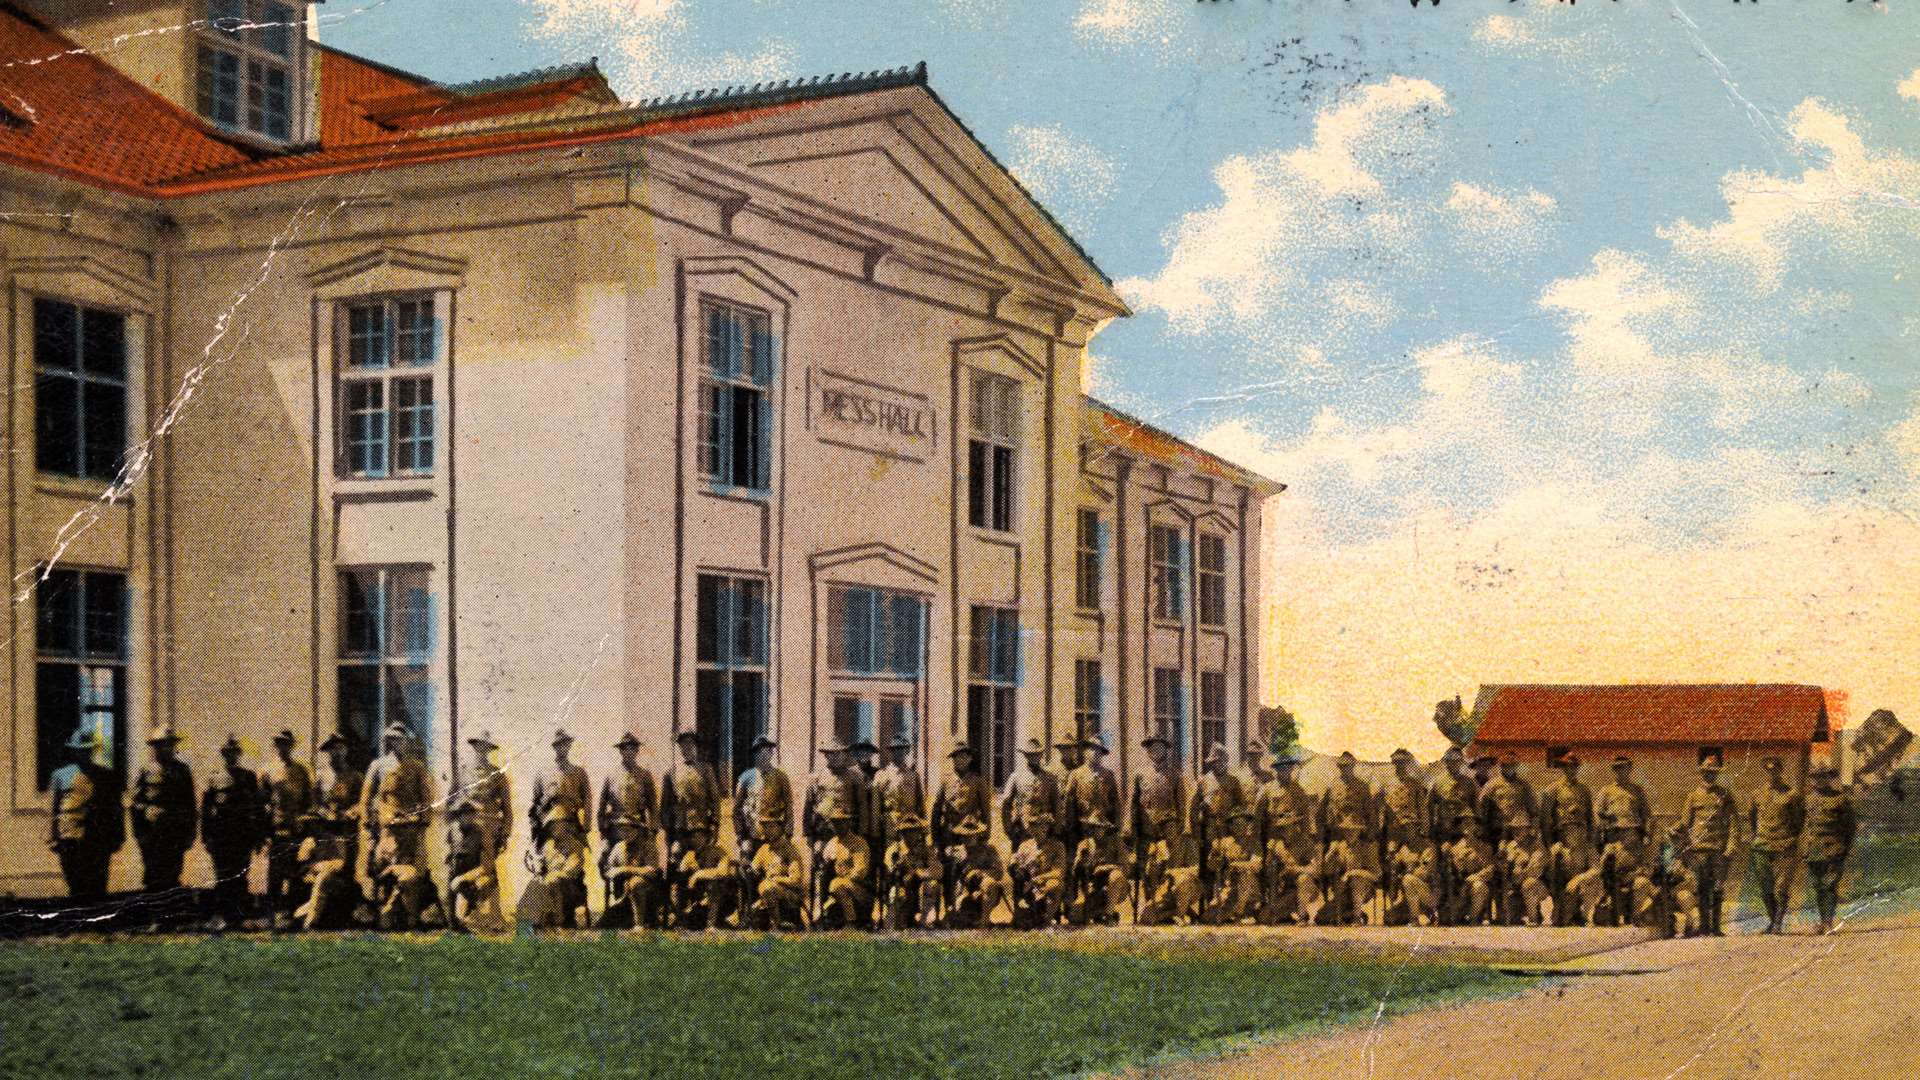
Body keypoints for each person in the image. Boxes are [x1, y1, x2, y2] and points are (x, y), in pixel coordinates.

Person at [360, 723, 437, 929]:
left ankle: (408, 917)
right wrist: (368, 828)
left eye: (400, 739)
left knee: (411, 874)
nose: (396, 743)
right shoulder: (378, 766)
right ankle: (384, 915)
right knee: (382, 869)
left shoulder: (417, 767)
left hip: (411, 832)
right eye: (392, 739)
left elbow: (427, 800)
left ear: (407, 741)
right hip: (387, 832)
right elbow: (366, 800)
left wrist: (422, 824)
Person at [295, 732, 363, 930]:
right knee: (318, 872)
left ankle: (326, 918)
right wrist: (322, 813)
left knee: (341, 874)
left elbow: (363, 803)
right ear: (327, 752)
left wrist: (352, 811)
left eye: (340, 748)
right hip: (325, 836)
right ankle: (309, 914)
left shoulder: (355, 777)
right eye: (332, 749)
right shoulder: (321, 777)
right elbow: (313, 805)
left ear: (346, 750)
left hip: (346, 835)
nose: (336, 752)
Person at [47, 726, 123, 901]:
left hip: (97, 836)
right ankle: (80, 921)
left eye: (87, 750)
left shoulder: (105, 775)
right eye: (80, 750)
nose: (84, 754)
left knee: (97, 883)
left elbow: (115, 808)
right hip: (69, 835)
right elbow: (53, 808)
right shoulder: (61, 775)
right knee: (75, 881)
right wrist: (52, 837)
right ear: (73, 752)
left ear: (92, 750)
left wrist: (118, 836)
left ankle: (97, 922)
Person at [201, 734, 268, 928]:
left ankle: (238, 916)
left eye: (235, 753)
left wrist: (258, 836)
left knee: (240, 875)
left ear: (239, 754)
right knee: (222, 876)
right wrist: (206, 836)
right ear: (223, 754)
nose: (231, 756)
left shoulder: (248, 777)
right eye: (228, 753)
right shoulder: (214, 777)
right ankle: (223, 916)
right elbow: (206, 810)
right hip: (221, 835)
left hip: (242, 835)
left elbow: (257, 808)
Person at [1131, 731, 1197, 925]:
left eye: (1159, 748)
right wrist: (1133, 831)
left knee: (1168, 870)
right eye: (1151, 748)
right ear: (1148, 751)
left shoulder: (1175, 775)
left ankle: (1170, 907)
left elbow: (1182, 805)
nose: (1155, 751)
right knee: (1148, 870)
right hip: (1147, 833)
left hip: (1169, 832)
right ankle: (1151, 906)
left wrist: (1179, 830)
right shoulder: (1140, 775)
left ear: (1165, 750)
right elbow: (1134, 806)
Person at [598, 732, 659, 927]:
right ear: (620, 751)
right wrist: (603, 832)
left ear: (637, 751)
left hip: (637, 829)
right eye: (624, 749)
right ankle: (616, 905)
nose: (628, 752)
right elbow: (601, 809)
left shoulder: (645, 776)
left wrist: (653, 830)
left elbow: (653, 807)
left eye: (632, 748)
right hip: (616, 829)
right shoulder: (611, 776)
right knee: (603, 860)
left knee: (643, 862)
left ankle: (642, 912)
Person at [1254, 749, 1321, 925]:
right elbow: (1258, 821)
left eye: (1288, 768)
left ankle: (1296, 909)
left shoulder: (1299, 792)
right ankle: (1272, 905)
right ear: (1275, 769)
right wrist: (1258, 846)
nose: (1285, 771)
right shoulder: (1267, 790)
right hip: (1272, 840)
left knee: (1295, 876)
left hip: (1294, 840)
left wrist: (1303, 843)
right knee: (1271, 875)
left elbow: (1306, 821)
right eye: (1281, 768)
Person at [667, 729, 725, 925]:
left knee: (706, 869)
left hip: (701, 829)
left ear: (696, 747)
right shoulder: (673, 772)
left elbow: (715, 801)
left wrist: (715, 825)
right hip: (680, 831)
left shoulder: (706, 769)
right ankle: (679, 917)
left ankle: (707, 918)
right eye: (683, 745)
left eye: (690, 745)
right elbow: (665, 805)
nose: (687, 749)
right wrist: (670, 832)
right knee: (678, 871)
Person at [1678, 751, 1738, 936]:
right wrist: (1681, 841)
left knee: (1718, 887)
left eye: (1712, 772)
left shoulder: (1725, 795)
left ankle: (1716, 926)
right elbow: (1685, 823)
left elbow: (1734, 823)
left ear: (1717, 773)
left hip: (1718, 849)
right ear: (1701, 773)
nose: (1708, 775)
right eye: (1705, 772)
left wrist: (1731, 846)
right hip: (1699, 850)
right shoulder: (1693, 796)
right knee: (1702, 887)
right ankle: (1704, 926)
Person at [130, 725, 195, 893]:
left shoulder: (182, 770)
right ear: (155, 747)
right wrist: (140, 831)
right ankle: (154, 915)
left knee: (173, 873)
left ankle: (169, 915)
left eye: (170, 744)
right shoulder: (146, 770)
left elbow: (190, 805)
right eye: (161, 745)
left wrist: (190, 834)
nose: (166, 748)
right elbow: (135, 803)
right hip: (152, 833)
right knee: (153, 874)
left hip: (174, 832)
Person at [932, 740, 993, 914]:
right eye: (956, 757)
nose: (960, 760)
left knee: (969, 869)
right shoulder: (946, 781)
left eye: (963, 757)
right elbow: (936, 810)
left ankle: (967, 909)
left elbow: (986, 811)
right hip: (949, 834)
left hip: (970, 833)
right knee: (948, 870)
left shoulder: (978, 781)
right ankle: (949, 908)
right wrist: (936, 840)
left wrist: (985, 835)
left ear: (970, 759)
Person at [1540, 752, 1600, 926]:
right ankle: (1560, 908)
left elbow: (1589, 817)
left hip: (1580, 838)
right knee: (1556, 874)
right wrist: (1550, 843)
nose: (1571, 771)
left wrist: (1589, 839)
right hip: (1561, 837)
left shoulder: (1584, 790)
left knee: (1583, 874)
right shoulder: (1553, 790)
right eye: (1567, 767)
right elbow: (1545, 820)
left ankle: (1580, 912)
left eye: (1574, 767)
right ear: (1563, 769)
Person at [1478, 753, 1538, 924]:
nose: (1508, 769)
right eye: (1505, 765)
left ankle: (1522, 910)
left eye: (1511, 765)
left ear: (1516, 766)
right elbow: (1481, 808)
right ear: (1500, 766)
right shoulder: (1492, 785)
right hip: (1497, 834)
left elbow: (1533, 811)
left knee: (1518, 871)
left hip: (1519, 834)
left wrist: (1532, 831)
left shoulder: (1523, 786)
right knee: (1498, 873)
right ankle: (1499, 912)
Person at [1596, 754, 1656, 927]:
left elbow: (1647, 816)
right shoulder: (1606, 792)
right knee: (1608, 874)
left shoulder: (1637, 791)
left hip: (1633, 841)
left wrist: (1646, 837)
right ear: (1614, 771)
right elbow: (1598, 816)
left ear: (1630, 770)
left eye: (1624, 768)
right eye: (1617, 769)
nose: (1621, 772)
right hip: (1613, 840)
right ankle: (1611, 910)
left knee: (1638, 879)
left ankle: (1634, 913)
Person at [1322, 751, 1381, 924]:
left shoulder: (1362, 786)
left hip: (1360, 833)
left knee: (1357, 875)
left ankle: (1356, 913)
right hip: (1339, 835)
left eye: (1348, 766)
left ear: (1353, 766)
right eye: (1342, 766)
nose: (1344, 769)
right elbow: (1328, 815)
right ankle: (1347, 911)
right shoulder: (1332, 787)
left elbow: (1371, 814)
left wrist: (1368, 837)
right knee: (1322, 918)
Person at [1380, 748, 1436, 926]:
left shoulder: (1415, 784)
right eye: (1396, 763)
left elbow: (1423, 810)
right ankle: (1399, 900)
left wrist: (1424, 832)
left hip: (1414, 829)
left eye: (1403, 763)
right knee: (1392, 866)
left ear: (1408, 764)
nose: (1400, 766)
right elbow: (1383, 813)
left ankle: (1421, 908)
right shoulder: (1387, 785)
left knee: (1413, 865)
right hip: (1394, 833)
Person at [1749, 756, 1805, 935]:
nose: (1772, 773)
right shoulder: (1757, 794)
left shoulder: (1791, 794)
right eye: (1769, 770)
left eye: (1776, 770)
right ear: (1765, 771)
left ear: (1781, 771)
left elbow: (1799, 821)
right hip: (1762, 845)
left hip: (1784, 846)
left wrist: (1788, 838)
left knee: (1781, 888)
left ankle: (1778, 923)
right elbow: (1752, 818)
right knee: (1766, 887)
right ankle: (1773, 921)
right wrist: (1758, 836)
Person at [263, 729, 313, 926]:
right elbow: (263, 802)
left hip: (297, 829)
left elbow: (308, 800)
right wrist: (265, 832)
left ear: (292, 746)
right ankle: (271, 916)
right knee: (275, 873)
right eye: (279, 743)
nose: (283, 747)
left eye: (286, 743)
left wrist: (305, 823)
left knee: (296, 872)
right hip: (277, 830)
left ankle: (294, 914)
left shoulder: (301, 771)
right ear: (275, 746)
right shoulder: (267, 771)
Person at [465, 731, 512, 927]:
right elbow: (454, 800)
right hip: (467, 829)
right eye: (479, 746)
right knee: (469, 870)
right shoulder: (464, 771)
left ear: (489, 749)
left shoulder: (497, 774)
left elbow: (507, 808)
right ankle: (471, 913)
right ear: (475, 747)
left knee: (489, 870)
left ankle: (495, 914)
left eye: (486, 747)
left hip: (489, 828)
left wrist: (505, 832)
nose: (482, 750)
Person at [1802, 764, 1855, 935]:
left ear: (1829, 778)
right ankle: (1822, 919)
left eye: (1823, 777)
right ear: (1813, 780)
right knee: (1817, 885)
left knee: (1830, 884)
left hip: (1834, 846)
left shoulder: (1840, 799)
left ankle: (1828, 922)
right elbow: (1802, 825)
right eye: (1816, 777)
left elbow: (1850, 826)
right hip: (1813, 848)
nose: (1820, 780)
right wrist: (1803, 846)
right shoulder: (1808, 799)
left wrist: (1845, 848)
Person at [1427, 747, 1478, 924]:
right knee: (1438, 873)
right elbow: (1429, 809)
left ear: (1461, 763)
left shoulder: (1470, 784)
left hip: (1463, 835)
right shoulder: (1438, 784)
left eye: (1457, 762)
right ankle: (1437, 910)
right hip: (1443, 836)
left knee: (1461, 873)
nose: (1453, 766)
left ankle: (1462, 908)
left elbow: (1476, 810)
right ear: (1445, 763)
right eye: (1450, 762)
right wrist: (1432, 836)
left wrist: (1473, 834)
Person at [734, 734, 793, 862]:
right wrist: (741, 835)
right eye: (758, 752)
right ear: (754, 755)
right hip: (752, 833)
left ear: (771, 753)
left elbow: (789, 805)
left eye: (766, 751)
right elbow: (736, 808)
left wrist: (788, 830)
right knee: (748, 867)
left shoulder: (781, 777)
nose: (762, 755)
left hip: (774, 834)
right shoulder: (746, 777)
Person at [529, 728, 590, 850]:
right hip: (548, 825)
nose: (562, 747)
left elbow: (587, 801)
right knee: (540, 860)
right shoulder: (542, 773)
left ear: (569, 746)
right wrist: (534, 830)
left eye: (566, 744)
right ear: (554, 747)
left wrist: (586, 826)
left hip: (571, 822)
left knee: (582, 860)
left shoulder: (579, 772)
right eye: (559, 745)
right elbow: (535, 804)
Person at [529, 807, 589, 930]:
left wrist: (552, 875)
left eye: (557, 825)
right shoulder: (548, 845)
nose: (554, 829)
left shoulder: (575, 845)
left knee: (554, 880)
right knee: (537, 882)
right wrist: (539, 868)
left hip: (572, 888)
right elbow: (541, 864)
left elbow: (572, 870)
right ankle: (541, 919)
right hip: (550, 885)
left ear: (566, 826)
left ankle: (559, 922)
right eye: (551, 826)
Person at [1001, 737, 1062, 852]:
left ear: (1041, 755)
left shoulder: (1050, 778)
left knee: (1042, 862)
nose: (1034, 757)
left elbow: (1057, 805)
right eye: (1030, 754)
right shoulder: (1016, 776)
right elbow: (1006, 803)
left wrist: (1056, 830)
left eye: (1037, 754)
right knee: (1018, 863)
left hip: (1044, 829)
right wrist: (1009, 828)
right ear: (1025, 756)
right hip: (1023, 829)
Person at [883, 813, 943, 930]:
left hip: (920, 890)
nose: (911, 835)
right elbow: (889, 873)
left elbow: (938, 871)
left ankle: (924, 921)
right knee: (896, 895)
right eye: (907, 831)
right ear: (901, 833)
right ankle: (900, 920)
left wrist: (917, 873)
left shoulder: (926, 850)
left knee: (931, 886)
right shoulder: (894, 850)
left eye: (914, 831)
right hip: (901, 889)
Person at [1070, 810, 1130, 926]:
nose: (1097, 830)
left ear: (1105, 828)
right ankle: (1100, 912)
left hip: (1116, 888)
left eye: (1100, 827)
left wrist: (1106, 868)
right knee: (1074, 916)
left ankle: (1109, 914)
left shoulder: (1116, 842)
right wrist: (1080, 862)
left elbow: (1126, 867)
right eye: (1094, 827)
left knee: (1116, 875)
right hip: (1094, 889)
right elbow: (1075, 873)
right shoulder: (1084, 844)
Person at [947, 814, 1007, 929]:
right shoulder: (956, 852)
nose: (968, 838)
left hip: (986, 891)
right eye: (965, 835)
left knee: (990, 883)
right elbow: (951, 879)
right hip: (963, 893)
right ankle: (966, 916)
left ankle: (984, 921)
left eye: (971, 835)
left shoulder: (989, 850)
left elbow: (999, 872)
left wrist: (980, 873)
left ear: (978, 834)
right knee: (960, 919)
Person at [1206, 807, 1263, 924]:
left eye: (1243, 824)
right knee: (1208, 918)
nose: (1240, 827)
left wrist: (1236, 865)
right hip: (1229, 888)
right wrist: (1216, 860)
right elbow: (1210, 866)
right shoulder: (1223, 843)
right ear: (1230, 827)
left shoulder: (1254, 843)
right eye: (1236, 824)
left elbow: (1256, 866)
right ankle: (1233, 913)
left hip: (1249, 890)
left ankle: (1241, 912)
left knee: (1246, 874)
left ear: (1248, 824)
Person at [446, 800, 496, 931]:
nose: (468, 818)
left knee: (482, 884)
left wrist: (465, 877)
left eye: (471, 815)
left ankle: (472, 914)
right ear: (459, 816)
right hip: (454, 873)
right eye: (465, 815)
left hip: (471, 874)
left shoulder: (481, 832)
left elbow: (489, 864)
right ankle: (460, 918)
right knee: (453, 921)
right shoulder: (452, 830)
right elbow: (449, 852)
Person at [819, 809, 872, 930]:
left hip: (861, 889)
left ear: (849, 823)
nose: (838, 826)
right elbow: (825, 868)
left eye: (842, 822)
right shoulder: (831, 844)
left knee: (836, 884)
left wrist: (843, 877)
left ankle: (851, 923)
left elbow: (861, 872)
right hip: (840, 890)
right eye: (835, 823)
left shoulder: (858, 843)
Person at [873, 734, 926, 852]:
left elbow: (920, 802)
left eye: (902, 749)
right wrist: (875, 830)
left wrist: (924, 826)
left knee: (910, 857)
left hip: (910, 824)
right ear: (890, 752)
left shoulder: (913, 775)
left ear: (907, 751)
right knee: (892, 857)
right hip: (890, 824)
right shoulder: (881, 775)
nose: (898, 753)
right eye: (895, 750)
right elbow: (876, 805)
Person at [746, 827, 807, 930]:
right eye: (764, 825)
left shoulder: (790, 849)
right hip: (770, 893)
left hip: (791, 894)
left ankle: (777, 925)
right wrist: (747, 870)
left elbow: (796, 880)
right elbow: (753, 868)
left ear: (779, 828)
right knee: (760, 900)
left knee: (767, 888)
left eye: (770, 826)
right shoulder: (764, 849)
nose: (767, 830)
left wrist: (776, 879)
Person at [1447, 810, 1498, 925]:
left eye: (1471, 823)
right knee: (1448, 918)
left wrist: (1475, 877)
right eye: (1464, 823)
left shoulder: (1484, 847)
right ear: (1460, 827)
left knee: (1479, 887)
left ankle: (1474, 918)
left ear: (1476, 826)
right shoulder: (1453, 848)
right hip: (1459, 891)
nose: (1467, 826)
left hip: (1475, 888)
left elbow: (1490, 869)